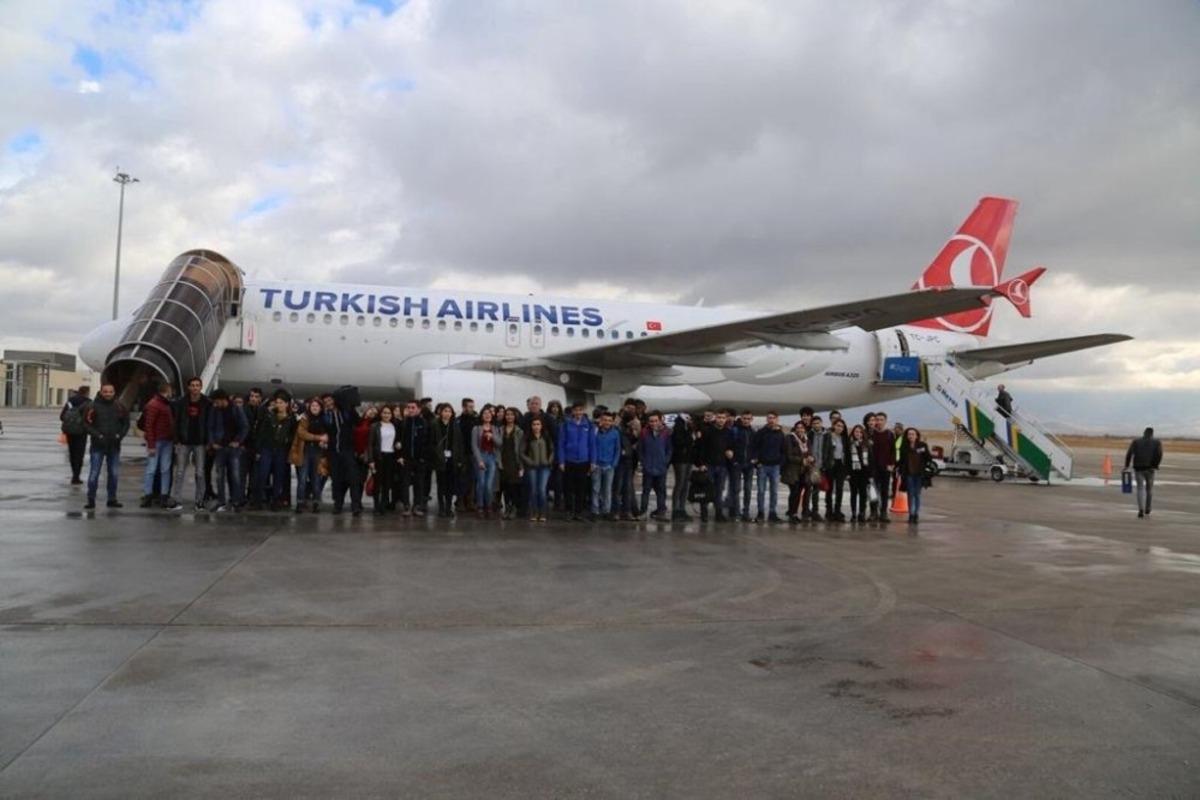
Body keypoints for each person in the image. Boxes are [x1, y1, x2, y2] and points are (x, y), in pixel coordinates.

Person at [82, 383, 129, 509]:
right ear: (101, 392)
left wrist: (120, 435)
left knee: (114, 474)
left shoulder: (120, 406)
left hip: (114, 446)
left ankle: (112, 499)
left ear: (114, 392)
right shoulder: (92, 406)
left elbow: (126, 423)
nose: (108, 394)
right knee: (94, 474)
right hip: (98, 446)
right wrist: (98, 436)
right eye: (105, 391)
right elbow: (86, 424)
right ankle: (91, 499)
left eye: (110, 391)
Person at [140, 380, 179, 510]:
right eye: (170, 390)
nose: (172, 392)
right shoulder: (157, 404)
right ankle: (156, 495)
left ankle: (153, 495)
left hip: (164, 440)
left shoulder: (159, 403)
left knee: (157, 469)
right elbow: (149, 426)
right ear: (167, 390)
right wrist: (151, 445)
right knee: (159, 469)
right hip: (159, 441)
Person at [207, 389, 248, 511]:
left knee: (235, 475)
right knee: (219, 476)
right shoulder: (214, 411)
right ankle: (221, 501)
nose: (215, 404)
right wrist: (212, 442)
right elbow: (210, 427)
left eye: (216, 402)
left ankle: (236, 500)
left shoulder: (236, 409)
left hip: (233, 448)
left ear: (222, 399)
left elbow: (244, 426)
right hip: (220, 447)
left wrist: (238, 441)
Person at [174, 377, 210, 512]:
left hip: (200, 443)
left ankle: (199, 501)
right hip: (184, 442)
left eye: (197, 385)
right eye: (192, 385)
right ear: (188, 387)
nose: (195, 388)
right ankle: (177, 500)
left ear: (201, 387)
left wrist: (208, 441)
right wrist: (176, 439)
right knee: (179, 472)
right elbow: (176, 422)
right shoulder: (181, 402)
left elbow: (209, 423)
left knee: (200, 472)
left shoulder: (207, 403)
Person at [255, 390, 296, 511]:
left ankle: (275, 500)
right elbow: (261, 433)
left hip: (281, 450)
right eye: (277, 402)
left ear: (287, 404)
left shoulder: (291, 418)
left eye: (281, 402)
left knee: (279, 476)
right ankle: (258, 499)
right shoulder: (269, 416)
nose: (279, 405)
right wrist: (258, 450)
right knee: (263, 474)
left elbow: (293, 434)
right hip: (267, 448)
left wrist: (288, 442)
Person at [328, 385, 365, 516]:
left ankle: (355, 506)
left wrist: (350, 409)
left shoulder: (349, 413)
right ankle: (338, 504)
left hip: (348, 451)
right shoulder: (329, 414)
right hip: (334, 452)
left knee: (353, 479)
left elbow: (359, 423)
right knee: (337, 480)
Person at [289, 398, 328, 513]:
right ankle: (300, 502)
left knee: (316, 479)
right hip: (304, 451)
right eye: (312, 406)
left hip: (318, 452)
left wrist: (324, 440)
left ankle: (316, 503)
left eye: (317, 406)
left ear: (321, 408)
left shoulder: (324, 420)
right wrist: (318, 438)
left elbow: (328, 435)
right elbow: (301, 433)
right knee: (302, 478)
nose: (314, 408)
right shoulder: (304, 418)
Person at [557, 402, 594, 521]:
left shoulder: (588, 425)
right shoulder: (566, 424)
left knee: (581, 489)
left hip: (583, 461)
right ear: (572, 412)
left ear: (583, 411)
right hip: (569, 460)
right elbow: (561, 444)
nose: (578, 413)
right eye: (576, 410)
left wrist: (593, 461)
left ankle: (578, 512)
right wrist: (561, 461)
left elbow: (592, 444)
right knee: (568, 488)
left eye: (580, 410)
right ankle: (569, 511)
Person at [697, 410, 733, 522]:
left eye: (723, 418)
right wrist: (701, 464)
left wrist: (730, 451)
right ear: (715, 418)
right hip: (709, 465)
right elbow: (700, 448)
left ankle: (718, 513)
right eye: (719, 417)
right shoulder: (708, 431)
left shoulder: (728, 432)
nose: (721, 420)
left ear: (726, 419)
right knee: (706, 490)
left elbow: (731, 446)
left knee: (719, 491)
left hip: (722, 465)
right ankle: (704, 514)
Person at [752, 411, 785, 523]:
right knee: (761, 491)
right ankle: (760, 513)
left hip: (775, 466)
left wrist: (780, 463)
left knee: (774, 491)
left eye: (773, 418)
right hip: (763, 466)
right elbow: (755, 448)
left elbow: (783, 450)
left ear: (777, 419)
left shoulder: (780, 433)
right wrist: (757, 463)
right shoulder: (761, 432)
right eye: (769, 418)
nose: (771, 420)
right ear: (767, 419)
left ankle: (772, 513)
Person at [399, 400, 432, 516]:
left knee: (419, 483)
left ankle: (417, 506)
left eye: (413, 408)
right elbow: (399, 440)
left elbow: (428, 441)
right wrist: (401, 456)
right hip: (407, 458)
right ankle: (406, 506)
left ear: (419, 409)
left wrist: (424, 457)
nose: (410, 410)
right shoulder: (404, 423)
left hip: (420, 459)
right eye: (408, 408)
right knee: (405, 483)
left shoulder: (424, 423)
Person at [638, 411, 673, 520]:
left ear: (660, 420)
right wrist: (644, 462)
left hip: (661, 467)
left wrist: (665, 461)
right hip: (648, 467)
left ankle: (661, 512)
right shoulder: (644, 432)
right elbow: (640, 449)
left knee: (661, 491)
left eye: (655, 421)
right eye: (651, 421)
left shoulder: (666, 433)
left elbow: (669, 449)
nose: (653, 423)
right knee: (646, 491)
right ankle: (643, 512)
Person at [1125, 427, 1164, 518]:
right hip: (1150, 469)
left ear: (1144, 433)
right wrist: (1155, 465)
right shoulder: (1157, 442)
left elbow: (1129, 453)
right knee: (1149, 489)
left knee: (1140, 488)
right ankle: (1148, 508)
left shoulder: (1136, 441)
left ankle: (1140, 509)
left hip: (1138, 468)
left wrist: (1126, 465)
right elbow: (1159, 454)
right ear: (1152, 434)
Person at [897, 427, 934, 524]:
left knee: (917, 494)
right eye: (909, 434)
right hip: (909, 474)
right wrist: (899, 470)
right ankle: (911, 514)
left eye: (913, 434)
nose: (911, 436)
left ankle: (916, 514)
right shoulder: (904, 446)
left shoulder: (922, 445)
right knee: (910, 494)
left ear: (917, 435)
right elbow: (901, 461)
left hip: (919, 474)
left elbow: (928, 458)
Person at [432, 403, 462, 518]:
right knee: (441, 484)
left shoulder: (455, 425)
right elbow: (432, 442)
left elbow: (459, 443)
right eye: (445, 411)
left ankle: (449, 508)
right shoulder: (435, 425)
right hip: (439, 458)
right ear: (441, 412)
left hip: (452, 459)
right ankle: (441, 508)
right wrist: (436, 454)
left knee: (450, 485)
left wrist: (459, 459)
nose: (447, 413)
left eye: (449, 411)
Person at [368, 405, 400, 515]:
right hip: (378, 456)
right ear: (380, 414)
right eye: (384, 413)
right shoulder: (375, 426)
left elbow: (396, 440)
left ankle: (383, 505)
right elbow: (370, 445)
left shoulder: (395, 425)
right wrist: (371, 460)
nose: (386, 415)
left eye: (389, 413)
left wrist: (397, 445)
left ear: (392, 415)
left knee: (387, 483)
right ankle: (376, 506)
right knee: (377, 483)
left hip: (390, 456)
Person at [521, 417, 554, 522]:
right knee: (533, 490)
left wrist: (549, 461)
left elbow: (552, 450)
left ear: (541, 426)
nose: (536, 426)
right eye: (534, 424)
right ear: (531, 426)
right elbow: (521, 452)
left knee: (542, 490)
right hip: (532, 468)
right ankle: (534, 513)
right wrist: (530, 462)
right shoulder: (527, 437)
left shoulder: (546, 436)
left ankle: (543, 513)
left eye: (538, 424)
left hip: (545, 467)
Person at [471, 406, 501, 517]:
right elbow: (474, 446)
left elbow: (499, 443)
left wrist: (492, 436)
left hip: (492, 457)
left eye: (489, 413)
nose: (487, 415)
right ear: (481, 416)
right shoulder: (476, 429)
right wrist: (479, 460)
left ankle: (488, 506)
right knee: (481, 484)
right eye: (484, 413)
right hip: (481, 456)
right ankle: (480, 506)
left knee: (489, 485)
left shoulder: (495, 428)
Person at [591, 411, 621, 520]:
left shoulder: (615, 433)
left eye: (609, 420)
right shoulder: (595, 432)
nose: (607, 422)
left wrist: (614, 463)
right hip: (597, 465)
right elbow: (592, 446)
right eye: (605, 420)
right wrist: (593, 462)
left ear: (612, 422)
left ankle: (606, 511)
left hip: (609, 466)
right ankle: (595, 511)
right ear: (600, 421)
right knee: (595, 489)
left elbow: (617, 449)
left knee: (607, 490)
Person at [60, 385, 91, 484]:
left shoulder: (70, 401)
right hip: (82, 432)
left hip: (70, 431)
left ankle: (74, 473)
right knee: (79, 454)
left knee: (72, 453)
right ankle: (76, 476)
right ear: (87, 392)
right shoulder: (89, 402)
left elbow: (62, 416)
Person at [729, 410, 757, 521]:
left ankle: (746, 512)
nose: (746, 420)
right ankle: (736, 512)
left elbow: (756, 448)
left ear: (751, 419)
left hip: (749, 465)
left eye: (748, 419)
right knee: (736, 489)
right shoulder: (735, 431)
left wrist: (754, 459)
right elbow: (729, 446)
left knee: (748, 489)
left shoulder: (753, 433)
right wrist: (734, 461)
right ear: (741, 419)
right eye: (744, 418)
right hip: (737, 464)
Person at [868, 412, 895, 523]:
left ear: (885, 421)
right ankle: (873, 512)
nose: (879, 422)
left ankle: (883, 512)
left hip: (885, 467)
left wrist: (891, 464)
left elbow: (893, 451)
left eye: (881, 419)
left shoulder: (889, 434)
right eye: (877, 419)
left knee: (884, 491)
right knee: (873, 491)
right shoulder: (871, 434)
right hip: (873, 468)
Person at [498, 407, 525, 519]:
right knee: (504, 487)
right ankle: (507, 507)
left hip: (514, 462)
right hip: (502, 461)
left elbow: (522, 450)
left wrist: (522, 467)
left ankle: (514, 508)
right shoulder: (500, 429)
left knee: (513, 486)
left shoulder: (519, 431)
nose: (509, 417)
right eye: (507, 414)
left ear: (515, 417)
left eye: (511, 415)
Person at [782, 421, 810, 524]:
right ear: (795, 429)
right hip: (792, 470)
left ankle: (794, 513)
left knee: (798, 493)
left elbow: (809, 452)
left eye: (802, 428)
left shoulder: (806, 439)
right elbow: (789, 455)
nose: (800, 430)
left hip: (803, 470)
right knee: (794, 492)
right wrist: (802, 460)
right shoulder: (790, 438)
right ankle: (792, 513)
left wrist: (811, 458)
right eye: (798, 427)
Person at [670, 414, 695, 521]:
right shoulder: (678, 428)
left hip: (688, 458)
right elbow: (679, 442)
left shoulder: (688, 428)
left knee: (686, 484)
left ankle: (682, 508)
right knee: (680, 483)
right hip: (680, 459)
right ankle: (676, 509)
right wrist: (690, 437)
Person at [823, 418, 850, 522]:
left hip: (840, 465)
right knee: (829, 488)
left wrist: (847, 469)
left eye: (842, 426)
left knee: (839, 488)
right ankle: (829, 511)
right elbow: (824, 450)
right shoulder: (828, 436)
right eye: (838, 425)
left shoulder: (844, 438)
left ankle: (837, 510)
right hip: (831, 464)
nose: (840, 428)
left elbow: (847, 454)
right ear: (833, 426)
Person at [847, 424, 872, 523]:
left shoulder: (867, 445)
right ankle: (853, 514)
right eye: (856, 432)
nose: (858, 433)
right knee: (853, 494)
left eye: (860, 432)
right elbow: (847, 460)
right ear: (853, 433)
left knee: (863, 494)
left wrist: (870, 474)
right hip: (853, 473)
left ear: (863, 434)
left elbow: (871, 460)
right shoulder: (849, 444)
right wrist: (847, 473)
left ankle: (861, 513)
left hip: (864, 473)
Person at [458, 398, 478, 512]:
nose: (472, 409)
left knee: (472, 479)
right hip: (462, 454)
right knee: (462, 479)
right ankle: (460, 501)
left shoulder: (475, 421)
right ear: (464, 407)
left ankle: (470, 501)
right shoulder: (458, 421)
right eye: (470, 406)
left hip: (472, 454)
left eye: (472, 406)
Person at [805, 416, 827, 521]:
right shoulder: (809, 435)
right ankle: (806, 511)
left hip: (820, 467)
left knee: (816, 491)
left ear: (821, 423)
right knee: (808, 490)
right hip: (810, 467)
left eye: (818, 423)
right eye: (814, 423)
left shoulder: (826, 435)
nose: (816, 425)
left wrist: (826, 464)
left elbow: (828, 451)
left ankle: (815, 511)